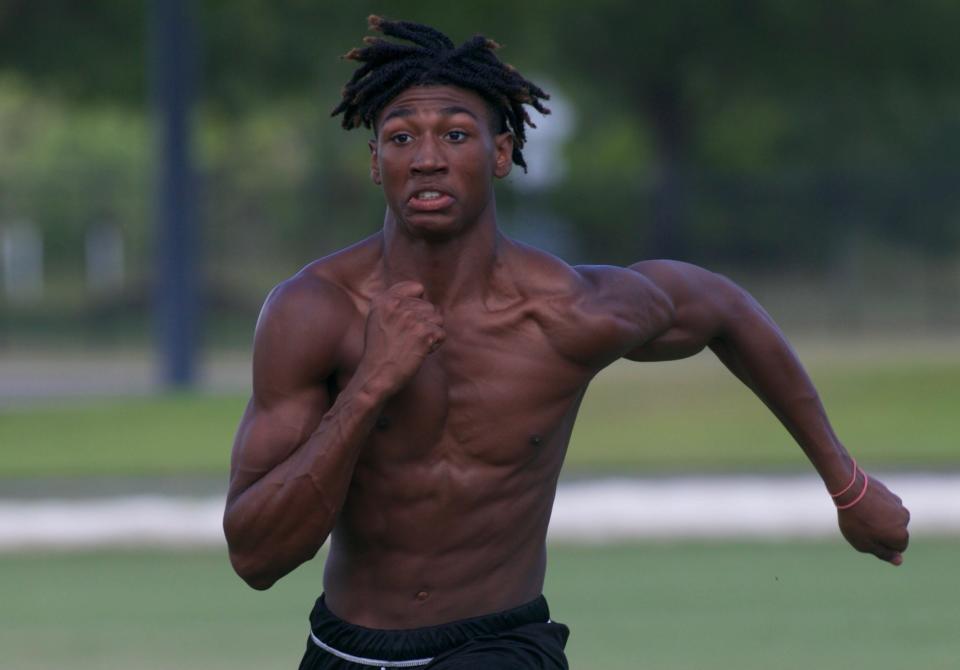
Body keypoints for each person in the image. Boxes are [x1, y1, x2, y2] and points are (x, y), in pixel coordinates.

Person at [223, 16, 911, 669]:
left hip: (501, 645)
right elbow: (255, 559)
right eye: (401, 138)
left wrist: (847, 486)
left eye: (456, 135)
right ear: (375, 161)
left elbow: (723, 307)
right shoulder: (313, 312)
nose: (427, 158)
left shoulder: (567, 312)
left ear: (501, 153)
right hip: (342, 647)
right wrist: (371, 384)